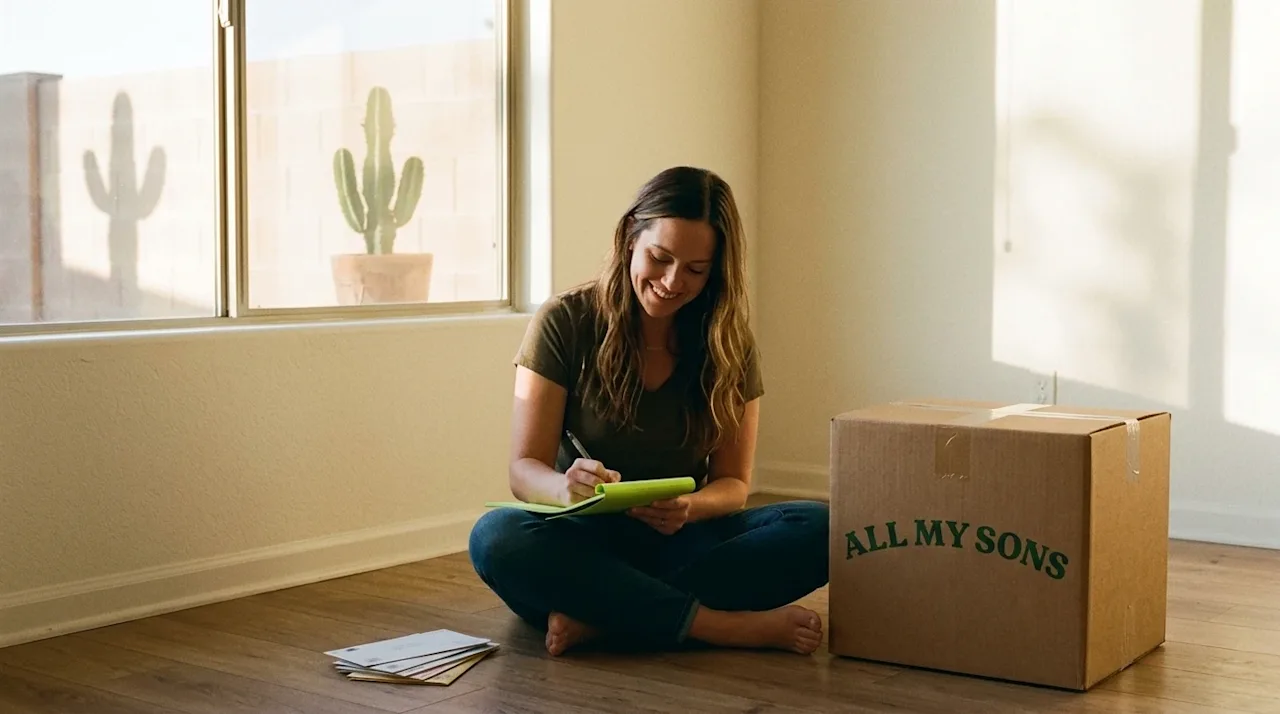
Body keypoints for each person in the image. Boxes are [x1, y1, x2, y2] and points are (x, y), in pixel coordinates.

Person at [468, 166, 829, 657]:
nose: (672, 282)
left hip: (681, 540)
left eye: (696, 270)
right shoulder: (565, 322)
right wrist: (565, 487)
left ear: (716, 270)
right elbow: (522, 469)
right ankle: (718, 626)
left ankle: (607, 621)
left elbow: (733, 484)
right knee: (495, 537)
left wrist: (689, 508)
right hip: (584, 541)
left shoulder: (728, 343)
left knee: (822, 528)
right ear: (630, 238)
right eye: (660, 258)